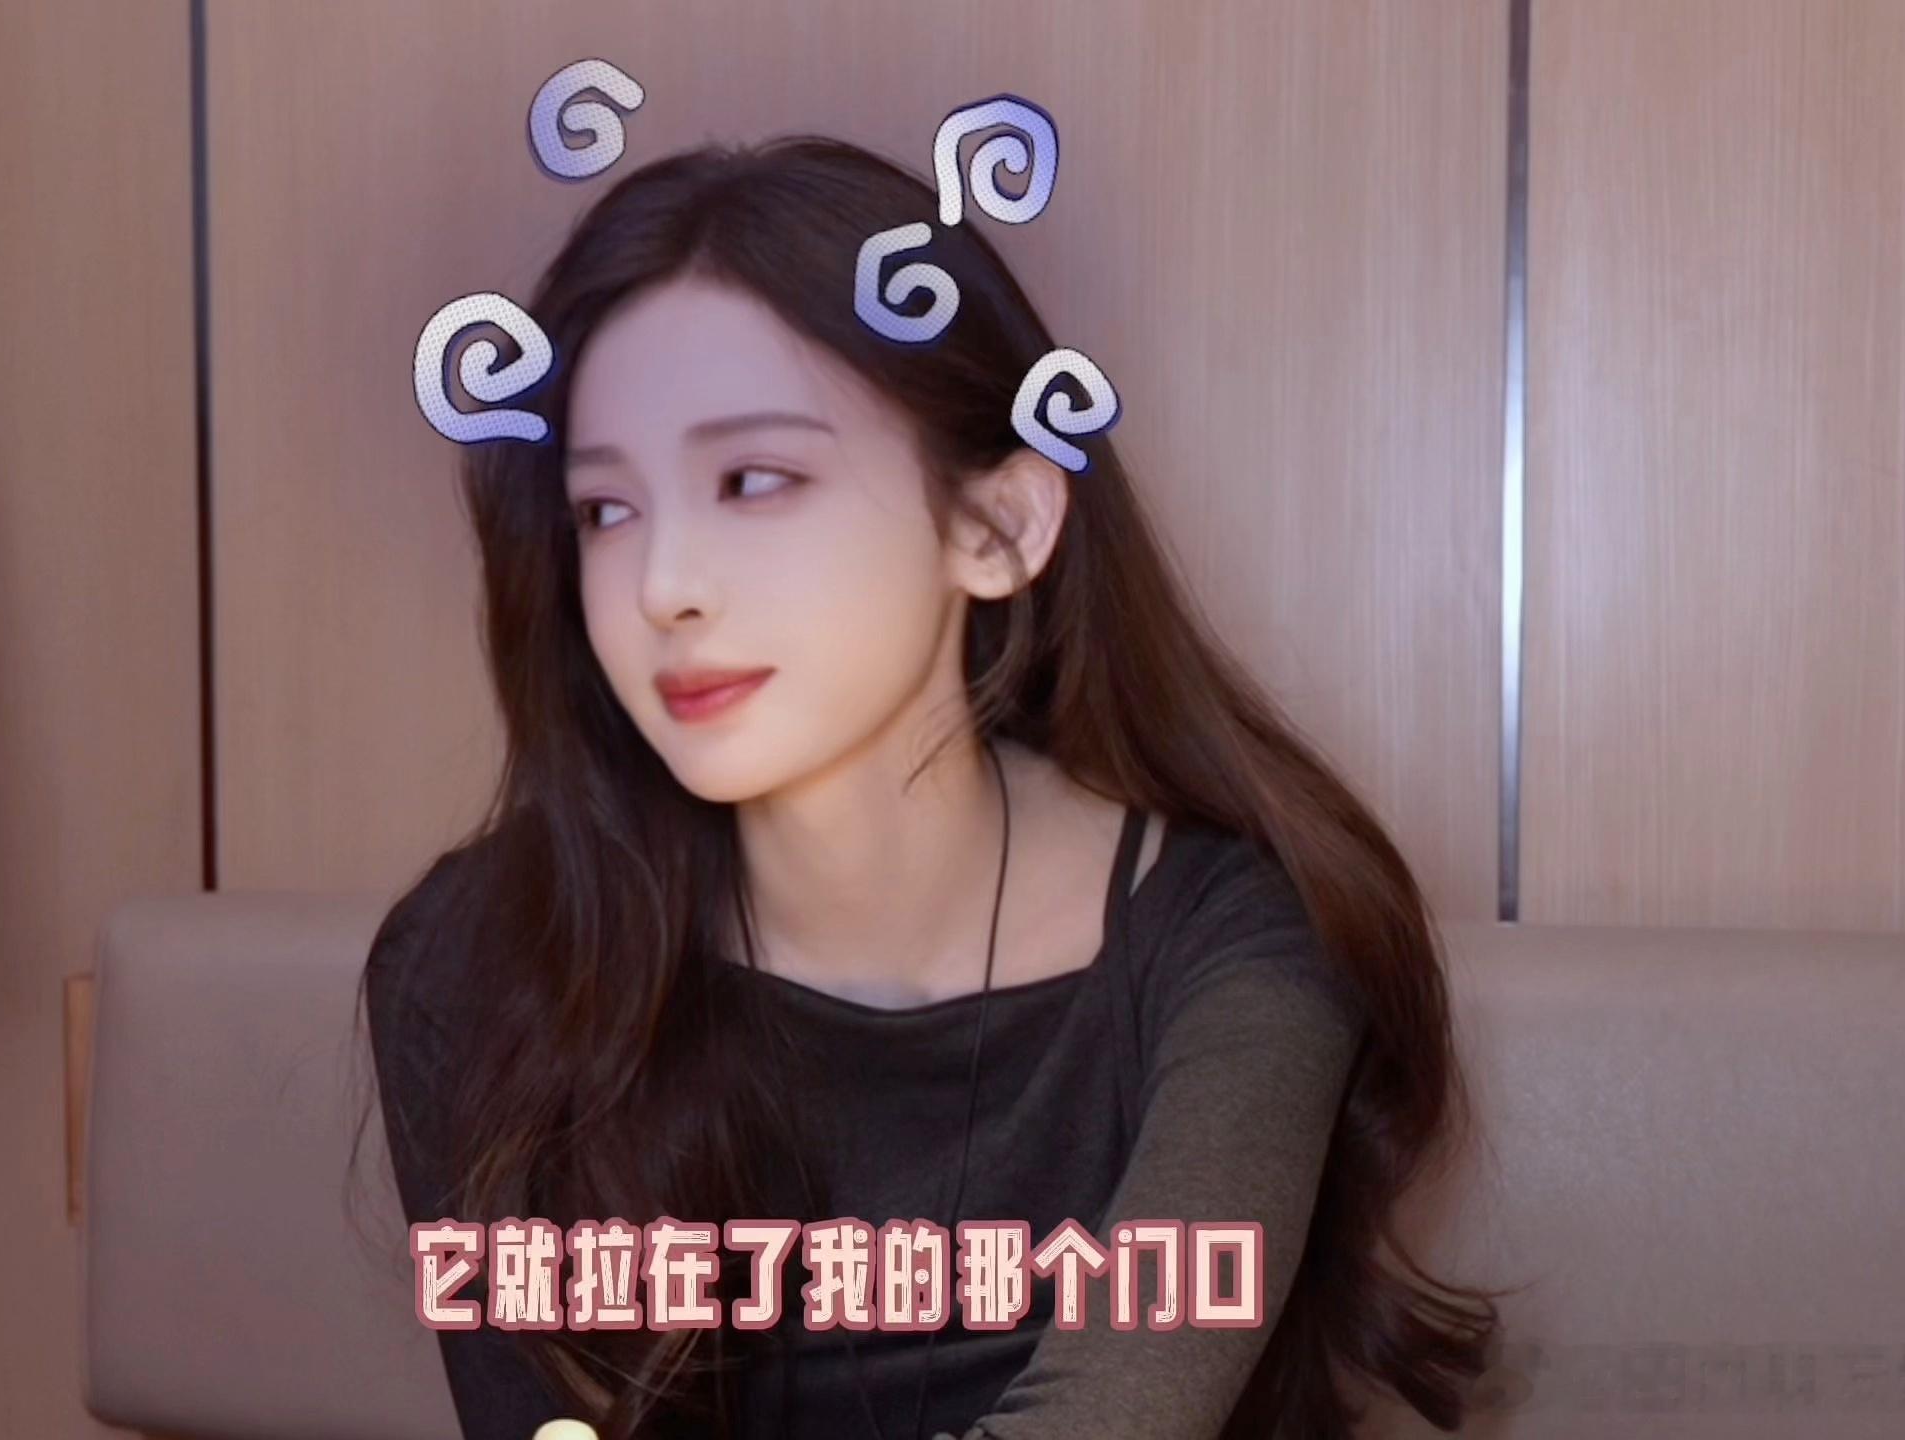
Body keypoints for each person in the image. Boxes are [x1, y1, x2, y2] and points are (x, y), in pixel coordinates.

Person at [358, 135, 1501, 1440]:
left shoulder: (1236, 939)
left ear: (998, 526)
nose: (664, 585)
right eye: (605, 511)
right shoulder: (479, 957)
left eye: (755, 481)